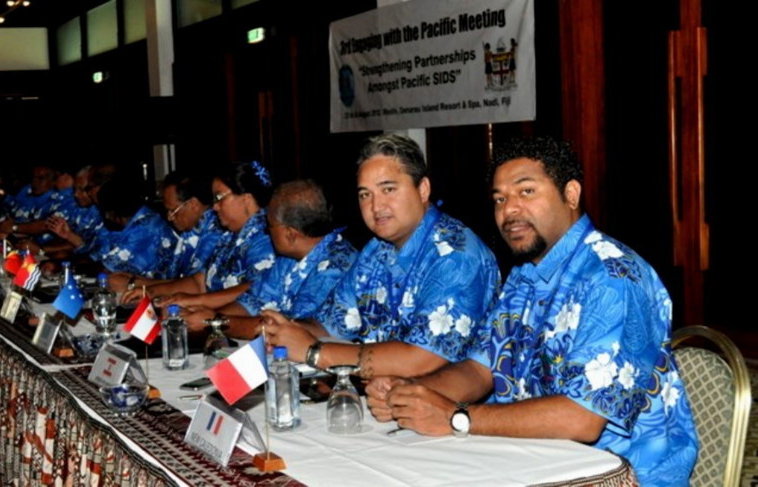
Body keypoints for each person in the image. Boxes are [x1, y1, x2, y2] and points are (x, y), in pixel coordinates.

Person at [366, 137, 698, 486]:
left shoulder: (614, 279)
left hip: (620, 473)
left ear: (571, 194)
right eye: (499, 199)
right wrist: (413, 393)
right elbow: (481, 369)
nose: (508, 210)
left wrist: (456, 417)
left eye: (526, 192)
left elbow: (582, 420)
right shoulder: (524, 276)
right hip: (531, 461)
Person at [263, 133, 500, 379]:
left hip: (449, 409)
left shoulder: (457, 256)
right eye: (365, 194)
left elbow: (420, 359)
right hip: (382, 396)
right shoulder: (376, 250)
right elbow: (332, 324)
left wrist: (314, 352)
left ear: (423, 189)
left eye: (388, 189)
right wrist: (286, 330)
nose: (376, 206)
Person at [183, 179, 358, 336]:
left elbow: (291, 329)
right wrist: (212, 317)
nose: (266, 232)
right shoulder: (287, 259)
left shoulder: (336, 267)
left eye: (270, 226)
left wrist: (217, 323)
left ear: (290, 234)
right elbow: (251, 302)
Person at [121, 161, 276, 311]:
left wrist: (194, 301)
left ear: (246, 198)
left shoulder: (265, 237)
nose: (214, 206)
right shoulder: (229, 235)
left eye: (219, 198)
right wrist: (151, 292)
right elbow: (200, 281)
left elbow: (255, 289)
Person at [109, 170, 227, 291]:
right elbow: (178, 281)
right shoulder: (192, 230)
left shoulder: (215, 232)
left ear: (193, 204)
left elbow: (195, 286)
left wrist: (135, 284)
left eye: (173, 211)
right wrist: (137, 280)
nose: (169, 217)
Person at [89, 176, 178, 277]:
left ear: (111, 213)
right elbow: (97, 255)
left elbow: (109, 270)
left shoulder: (146, 226)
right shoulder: (129, 225)